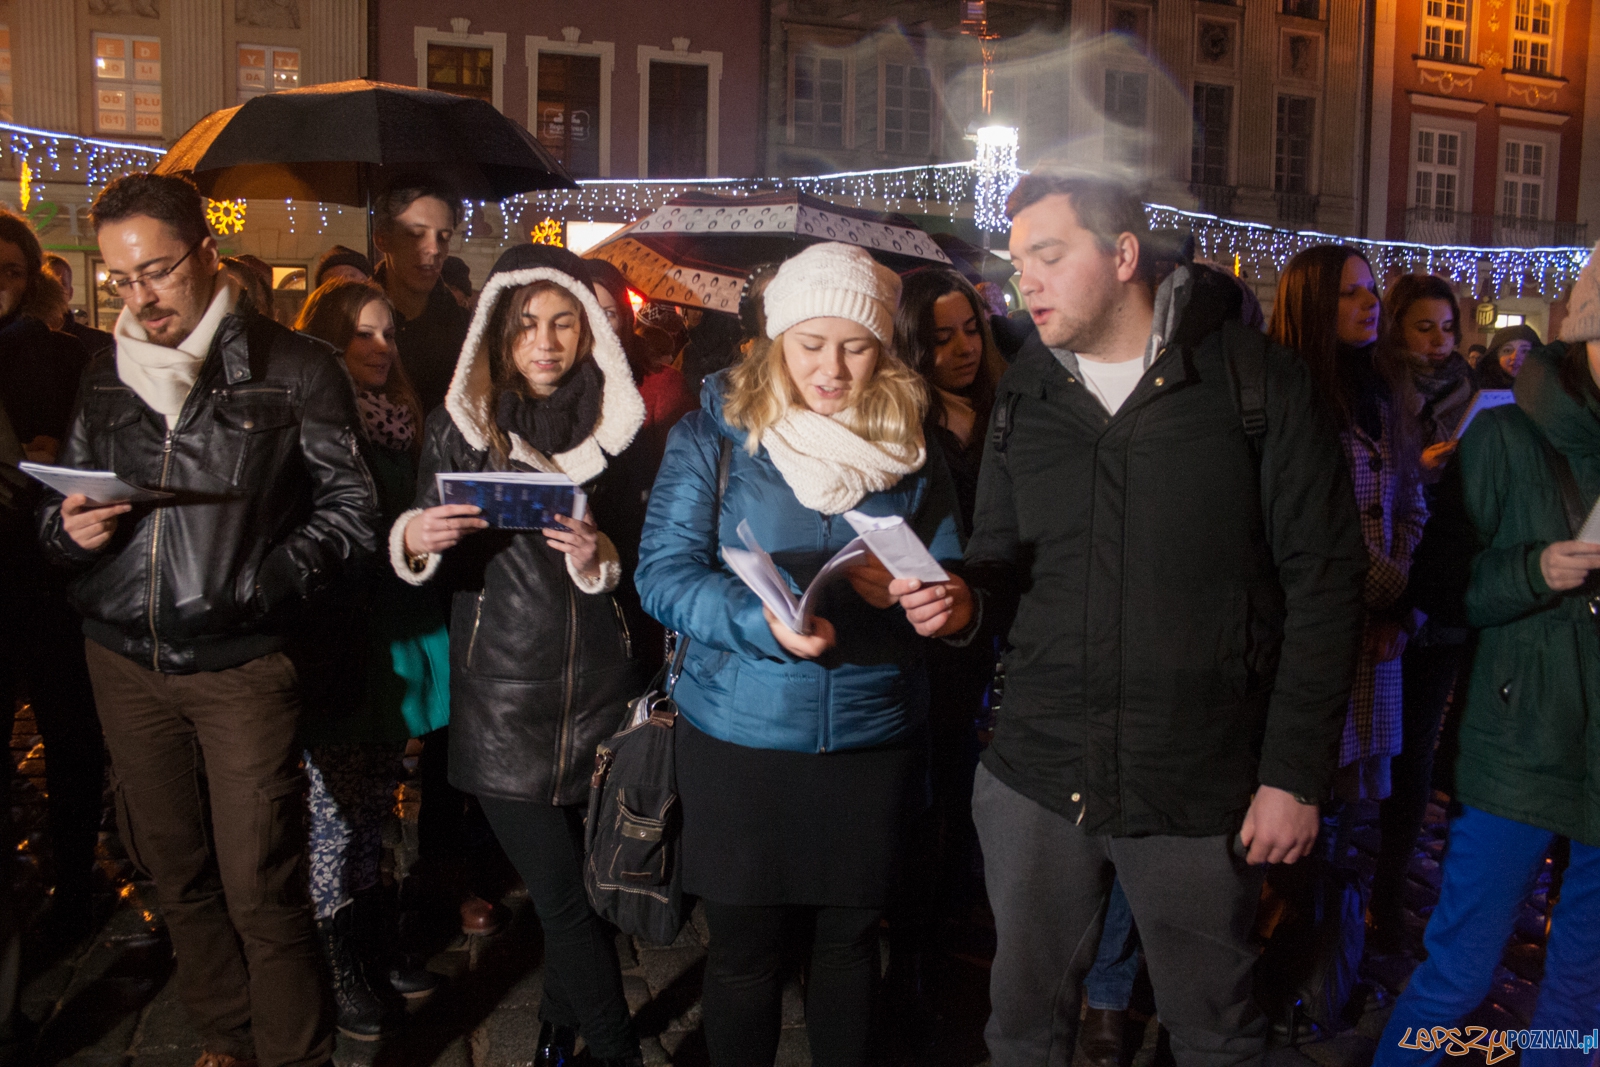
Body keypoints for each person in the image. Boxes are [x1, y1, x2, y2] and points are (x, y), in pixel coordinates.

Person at [926, 174, 1365, 1067]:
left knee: (1215, 1032)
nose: (1024, 282)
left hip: (1195, 781)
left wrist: (1293, 773)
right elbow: (1001, 552)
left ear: (1123, 253)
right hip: (1038, 772)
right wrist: (964, 599)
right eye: (1017, 262)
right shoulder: (1028, 389)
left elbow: (1326, 584)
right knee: (1022, 1029)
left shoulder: (1254, 379)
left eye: (1049, 256)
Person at [37, 173, 379, 1067]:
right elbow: (59, 508)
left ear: (207, 253)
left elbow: (352, 512)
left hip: (241, 667)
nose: (139, 297)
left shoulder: (297, 365)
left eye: (156, 271)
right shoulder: (103, 370)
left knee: (261, 879)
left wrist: (257, 586)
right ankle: (225, 1036)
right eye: (120, 279)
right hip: (121, 657)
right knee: (174, 871)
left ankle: (294, 1053)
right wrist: (67, 531)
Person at [635, 242, 965, 1067]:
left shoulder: (912, 440)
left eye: (856, 347)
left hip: (871, 734)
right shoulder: (713, 432)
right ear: (776, 339)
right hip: (741, 736)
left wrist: (933, 600)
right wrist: (758, 620)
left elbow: (949, 567)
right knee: (744, 953)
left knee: (849, 946)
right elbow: (662, 575)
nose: (832, 369)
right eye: (811, 344)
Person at [391, 247, 646, 1067]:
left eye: (564, 322)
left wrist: (602, 551)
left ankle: (555, 1034)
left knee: (589, 891)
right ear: (499, 334)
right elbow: (421, 547)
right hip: (502, 693)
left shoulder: (624, 426)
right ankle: (618, 1051)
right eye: (528, 324)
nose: (546, 341)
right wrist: (416, 535)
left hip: (599, 687)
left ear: (590, 330)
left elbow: (652, 552)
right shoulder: (460, 425)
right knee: (562, 896)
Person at [1373, 251, 1600, 1067]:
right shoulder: (1505, 435)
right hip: (1518, 749)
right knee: (1458, 973)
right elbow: (1441, 582)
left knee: (1582, 991)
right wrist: (1536, 569)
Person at [1262, 248, 1427, 1020]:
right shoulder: (1291, 396)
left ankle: (1322, 963)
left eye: (1371, 292)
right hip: (1320, 631)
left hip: (1378, 638)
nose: (1371, 304)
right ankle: (1285, 966)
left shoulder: (1383, 395)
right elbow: (1322, 530)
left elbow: (1410, 503)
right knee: (1305, 801)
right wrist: (1395, 592)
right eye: (1351, 293)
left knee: (1349, 813)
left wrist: (1400, 606)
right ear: (1311, 304)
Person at [292, 279, 451, 1038]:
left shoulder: (402, 420)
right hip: (347, 639)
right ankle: (337, 958)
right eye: (363, 333)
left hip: (402, 621)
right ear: (328, 338)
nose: (381, 347)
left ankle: (369, 933)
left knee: (377, 804)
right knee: (334, 811)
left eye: (388, 333)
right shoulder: (313, 422)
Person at [886, 269, 1007, 1030]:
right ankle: (913, 956)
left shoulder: (1008, 408)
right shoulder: (900, 423)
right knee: (921, 796)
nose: (964, 348)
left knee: (965, 787)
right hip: (920, 632)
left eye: (971, 330)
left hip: (989, 621)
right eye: (940, 338)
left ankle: (951, 926)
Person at [0, 211, 105, 945]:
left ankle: (73, 880)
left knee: (72, 738)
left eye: (9, 270)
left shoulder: (62, 356)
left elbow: (96, 447)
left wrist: (60, 454)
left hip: (51, 577)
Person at [1369, 275, 1471, 951]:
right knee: (1367, 751)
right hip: (1384, 598)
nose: (1438, 342)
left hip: (1443, 602)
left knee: (1415, 755)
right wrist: (1420, 471)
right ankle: (1333, 888)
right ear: (1397, 328)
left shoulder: (1475, 397)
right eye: (1424, 327)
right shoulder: (1377, 391)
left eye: (1447, 328)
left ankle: (1388, 892)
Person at [371, 178, 470, 414]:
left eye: (443, 237)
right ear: (382, 239)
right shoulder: (348, 325)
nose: (434, 249)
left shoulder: (467, 334)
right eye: (416, 234)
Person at [42, 253, 114, 359]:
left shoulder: (100, 343)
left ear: (70, 293)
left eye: (60, 284)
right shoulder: (20, 341)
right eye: (46, 284)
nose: (53, 291)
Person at [1475, 322, 1540, 391]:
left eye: (1524, 351)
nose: (1515, 357)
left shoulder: (1545, 389)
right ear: (1496, 355)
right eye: (1507, 350)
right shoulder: (1477, 387)